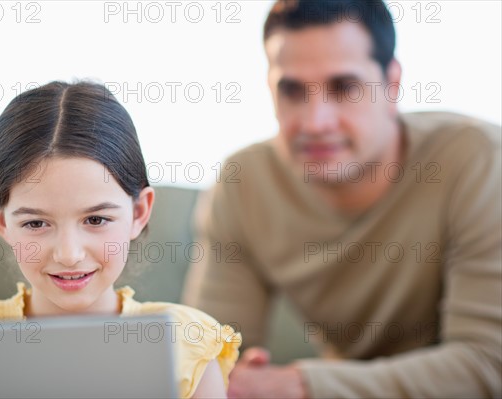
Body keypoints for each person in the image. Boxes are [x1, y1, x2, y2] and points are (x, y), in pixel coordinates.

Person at [183, 0, 501, 398]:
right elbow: (207, 360)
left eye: (345, 88)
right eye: (292, 91)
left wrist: (300, 386)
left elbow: (488, 363)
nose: (316, 122)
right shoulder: (243, 183)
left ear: (393, 85)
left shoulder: (478, 161)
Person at [0, 81, 241, 399]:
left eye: (96, 220)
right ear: (0, 220)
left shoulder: (188, 344)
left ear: (139, 212)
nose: (69, 254)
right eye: (36, 223)